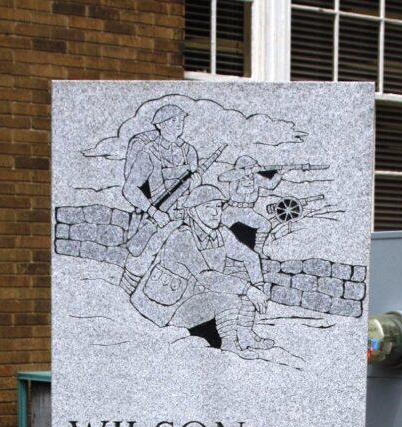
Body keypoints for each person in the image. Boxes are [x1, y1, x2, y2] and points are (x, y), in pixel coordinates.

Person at [131, 185, 274, 355]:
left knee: (241, 289)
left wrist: (259, 286)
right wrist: (249, 289)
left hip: (193, 298)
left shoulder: (221, 233)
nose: (215, 213)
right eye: (208, 207)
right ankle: (230, 345)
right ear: (192, 212)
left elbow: (250, 257)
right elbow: (206, 277)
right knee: (229, 298)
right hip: (164, 307)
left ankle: (245, 335)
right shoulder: (181, 236)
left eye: (218, 207)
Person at [121, 103, 199, 293]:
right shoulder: (149, 153)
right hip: (159, 216)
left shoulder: (189, 152)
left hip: (186, 216)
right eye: (173, 120)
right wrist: (153, 212)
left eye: (181, 120)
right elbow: (130, 189)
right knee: (142, 257)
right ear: (161, 125)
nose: (179, 124)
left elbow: (195, 188)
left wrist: (197, 184)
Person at [219, 154, 282, 254]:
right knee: (218, 227)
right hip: (232, 209)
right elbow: (221, 177)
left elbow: (270, 185)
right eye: (251, 167)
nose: (254, 169)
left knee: (265, 225)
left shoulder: (256, 178)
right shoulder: (235, 176)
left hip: (248, 211)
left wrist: (279, 174)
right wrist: (243, 172)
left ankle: (258, 251)